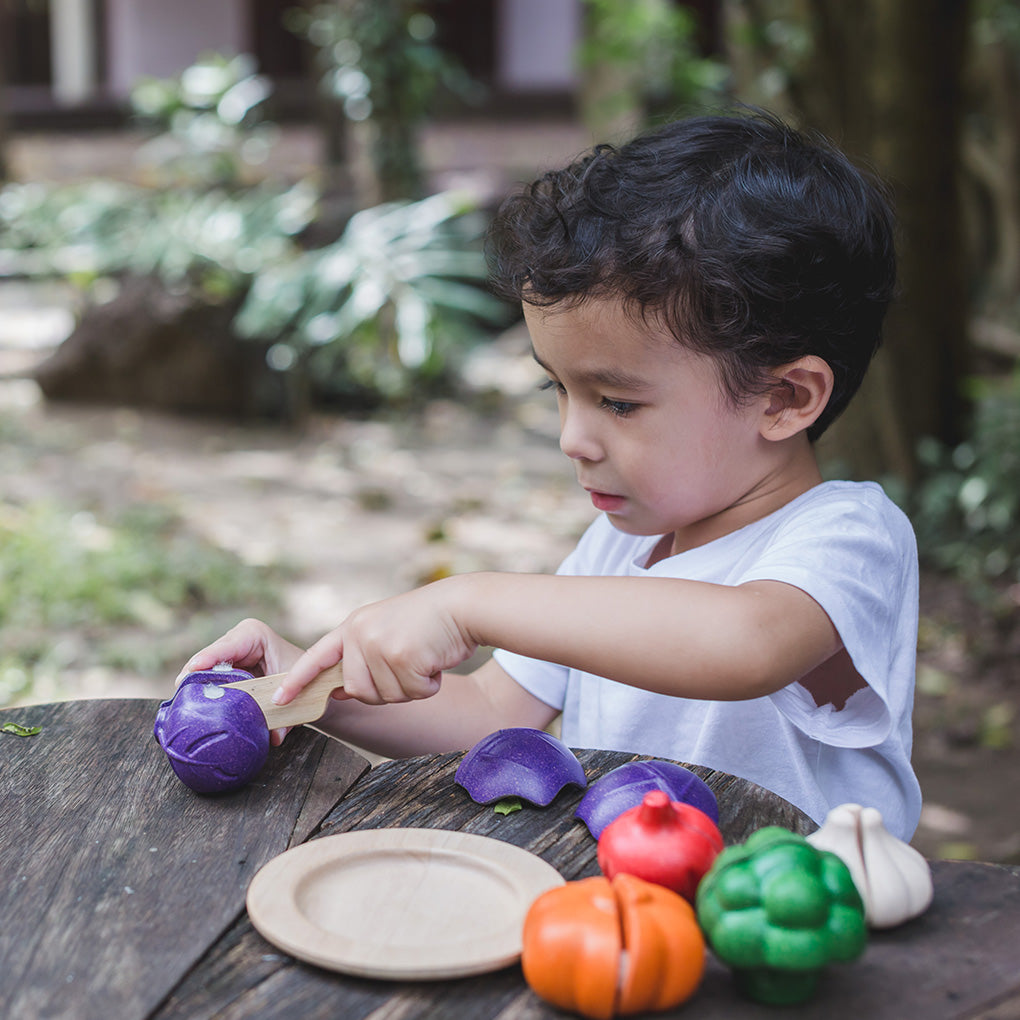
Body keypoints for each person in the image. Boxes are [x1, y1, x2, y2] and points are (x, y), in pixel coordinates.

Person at [180, 111, 922, 840]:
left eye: (619, 402)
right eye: (557, 389)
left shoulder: (847, 535)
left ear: (785, 398)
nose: (573, 438)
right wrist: (302, 688)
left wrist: (468, 603)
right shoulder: (618, 547)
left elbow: (750, 643)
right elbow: (490, 716)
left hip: (784, 929)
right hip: (622, 915)